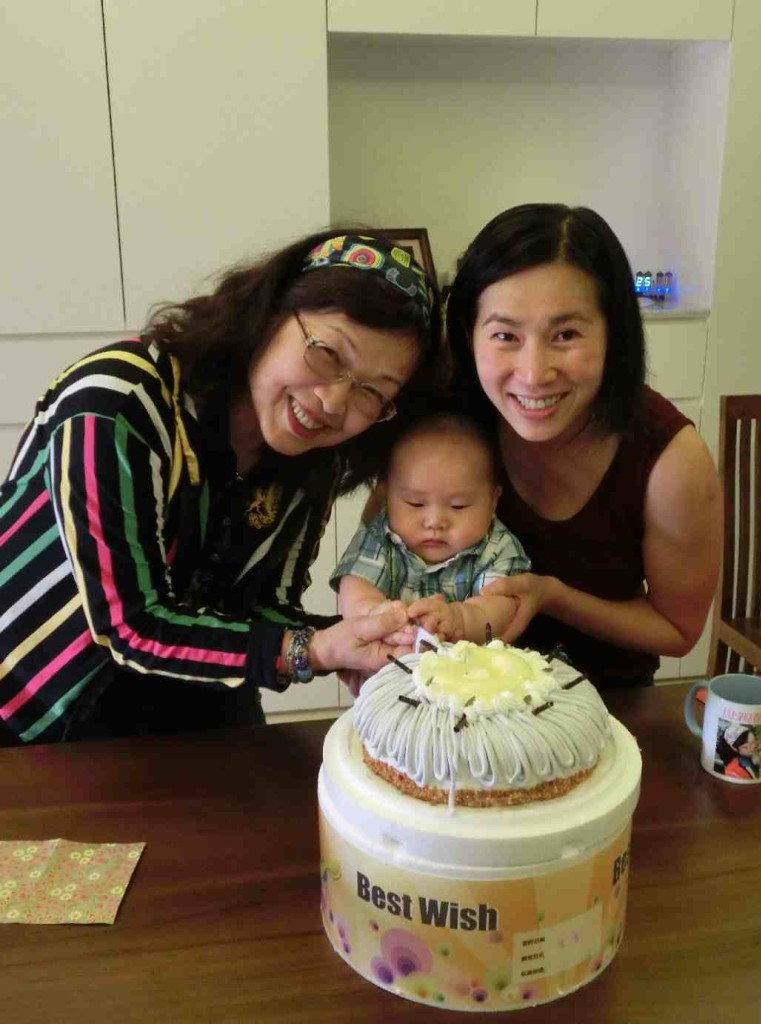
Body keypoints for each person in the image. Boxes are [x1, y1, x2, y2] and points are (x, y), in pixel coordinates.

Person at [0, 231, 443, 744]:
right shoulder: (120, 400)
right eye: (327, 353)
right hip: (34, 715)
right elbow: (131, 626)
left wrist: (365, 636)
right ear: (270, 313)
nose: (333, 402)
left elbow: (267, 603)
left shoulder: (311, 458)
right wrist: (315, 649)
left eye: (372, 391)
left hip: (189, 699)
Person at [445, 203, 723, 689]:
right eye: (505, 335)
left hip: (611, 708)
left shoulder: (670, 460)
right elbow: (382, 551)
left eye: (566, 334)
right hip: (456, 701)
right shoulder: (446, 425)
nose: (534, 373)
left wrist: (554, 597)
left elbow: (677, 631)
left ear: (613, 334)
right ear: (470, 335)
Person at [331, 412, 530, 650]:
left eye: (458, 506)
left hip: (474, 669)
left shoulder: (498, 547)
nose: (434, 522)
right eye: (415, 504)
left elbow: (503, 608)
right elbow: (356, 583)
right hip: (390, 664)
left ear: (493, 500)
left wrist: (460, 617)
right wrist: (376, 614)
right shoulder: (380, 536)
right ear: (388, 496)